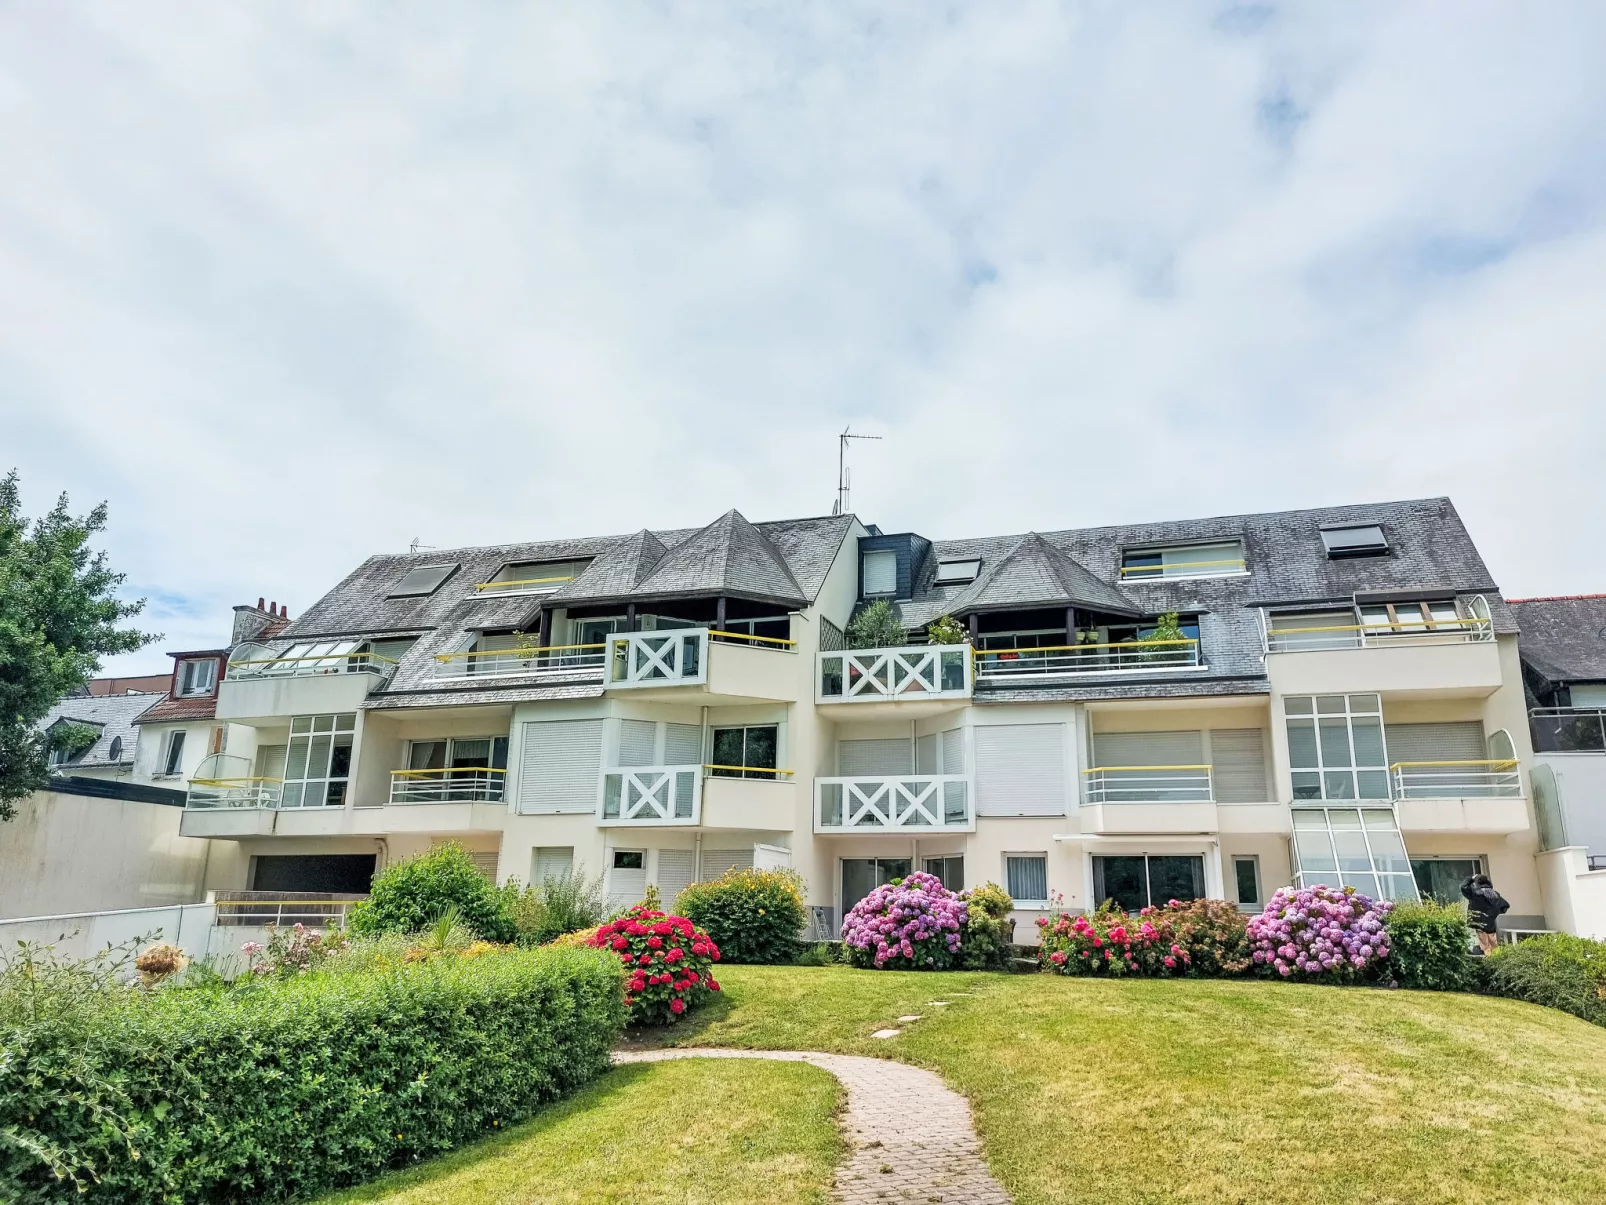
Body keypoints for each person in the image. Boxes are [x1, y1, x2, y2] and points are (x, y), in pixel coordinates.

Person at [1461, 874, 1509, 954]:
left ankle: (1488, 962)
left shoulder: (1475, 893)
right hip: (1492, 924)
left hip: (1480, 923)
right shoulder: (1495, 894)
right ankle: (1497, 960)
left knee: (1485, 947)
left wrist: (1471, 878)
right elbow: (1505, 906)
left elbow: (1463, 887)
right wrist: (1494, 913)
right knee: (1494, 945)